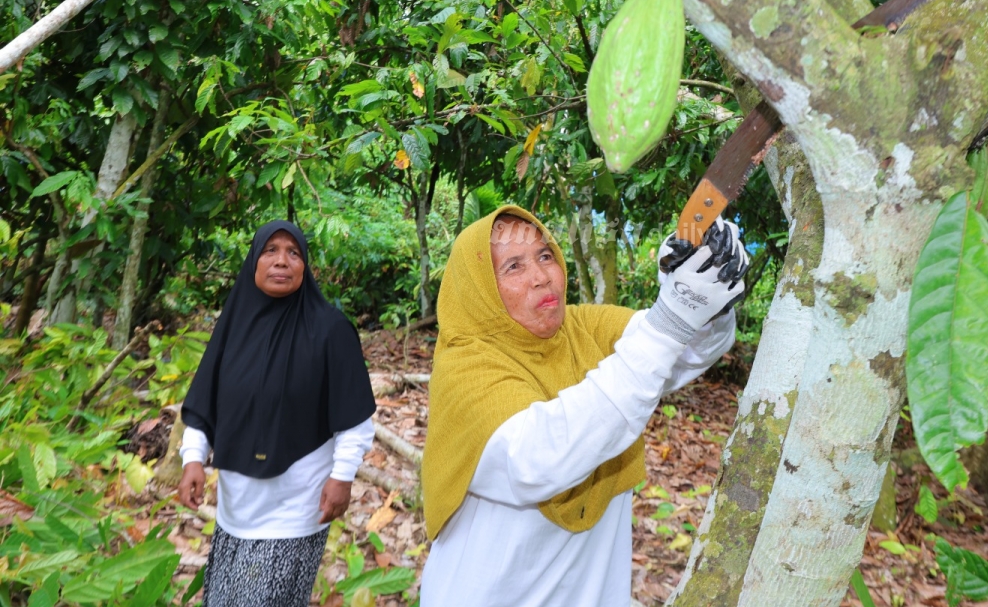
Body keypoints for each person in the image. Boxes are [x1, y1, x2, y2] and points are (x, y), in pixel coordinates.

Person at [420, 205, 748, 607]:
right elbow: (542, 457)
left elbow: (678, 355)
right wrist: (673, 317)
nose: (541, 277)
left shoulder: (580, 329)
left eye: (545, 256)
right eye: (513, 267)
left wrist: (708, 300)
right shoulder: (465, 365)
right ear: (480, 289)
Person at [177, 220, 377, 607]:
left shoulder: (330, 330)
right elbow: (205, 401)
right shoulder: (233, 325)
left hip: (294, 508)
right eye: (270, 251)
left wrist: (343, 476)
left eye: (293, 253)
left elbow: (355, 418)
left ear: (305, 267)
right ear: (254, 261)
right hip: (235, 508)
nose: (281, 261)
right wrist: (192, 459)